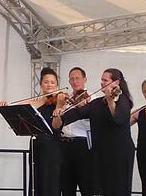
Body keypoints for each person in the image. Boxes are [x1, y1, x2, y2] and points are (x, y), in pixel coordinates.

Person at [54, 68, 134, 196]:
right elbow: (73, 116)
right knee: (103, 190)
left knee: (119, 190)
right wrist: (60, 112)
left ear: (116, 83)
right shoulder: (96, 103)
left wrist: (109, 99)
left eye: (105, 80)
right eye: (101, 80)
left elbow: (118, 118)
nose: (102, 82)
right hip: (102, 154)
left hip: (119, 153)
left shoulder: (123, 100)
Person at [0, 67, 65, 196]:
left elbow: (57, 126)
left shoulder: (60, 102)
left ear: (57, 85)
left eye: (53, 82)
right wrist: (6, 106)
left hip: (53, 147)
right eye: (46, 82)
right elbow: (21, 107)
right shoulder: (37, 102)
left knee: (51, 183)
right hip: (37, 146)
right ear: (40, 84)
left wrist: (59, 106)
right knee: (36, 181)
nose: (49, 85)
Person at [60, 67, 96, 196]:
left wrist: (84, 108)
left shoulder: (93, 98)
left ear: (85, 79)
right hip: (65, 144)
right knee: (67, 187)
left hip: (83, 145)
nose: (74, 81)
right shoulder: (66, 99)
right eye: (72, 79)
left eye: (77, 78)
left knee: (87, 186)